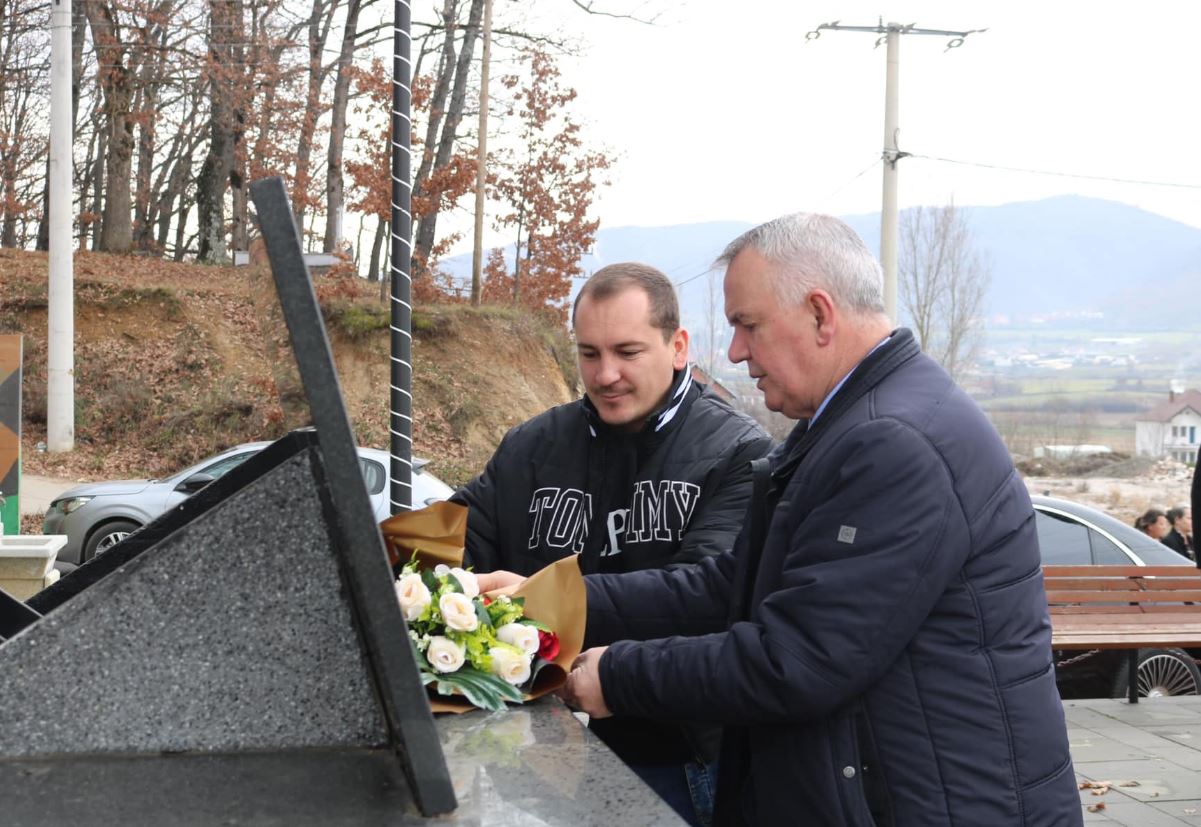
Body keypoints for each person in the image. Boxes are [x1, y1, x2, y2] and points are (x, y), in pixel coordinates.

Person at [484, 213, 1081, 825]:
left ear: (820, 314)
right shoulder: (846, 427)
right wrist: (547, 602)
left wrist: (617, 676)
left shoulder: (895, 444)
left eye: (747, 325)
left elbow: (799, 659)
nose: (736, 351)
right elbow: (726, 587)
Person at [453, 261, 773, 826]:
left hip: (673, 757)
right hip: (530, 748)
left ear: (677, 346)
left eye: (627, 353)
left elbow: (705, 596)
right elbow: (453, 541)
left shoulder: (738, 454)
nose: (605, 375)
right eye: (589, 353)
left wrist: (544, 598)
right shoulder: (531, 447)